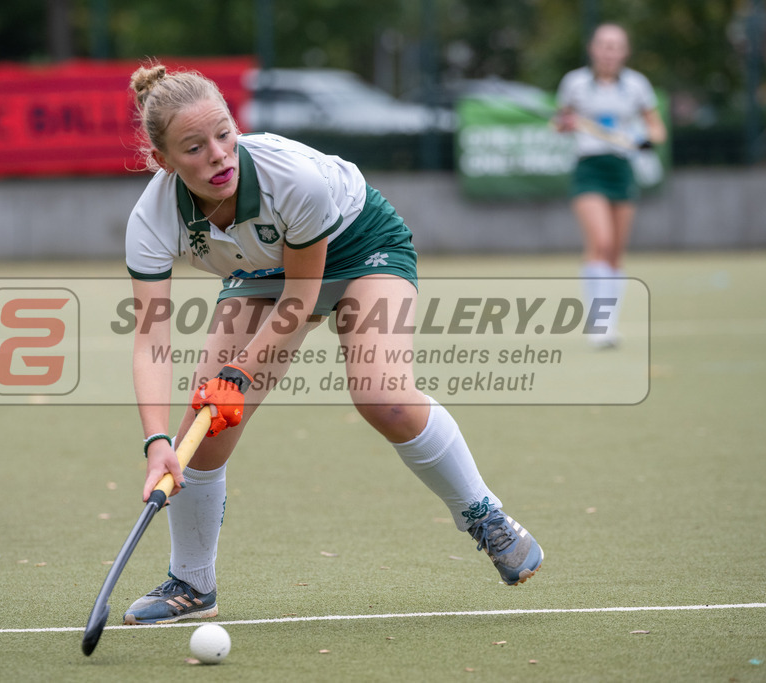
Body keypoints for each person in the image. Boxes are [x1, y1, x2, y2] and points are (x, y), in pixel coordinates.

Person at [120, 62, 543, 625]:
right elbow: (151, 338)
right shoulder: (151, 220)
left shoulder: (292, 179)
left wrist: (240, 374)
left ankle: (482, 513)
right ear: (165, 161)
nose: (218, 155)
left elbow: (301, 299)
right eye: (194, 148)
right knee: (207, 422)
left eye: (224, 133)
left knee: (382, 397)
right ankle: (193, 584)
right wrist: (156, 442)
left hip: (359, 244)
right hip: (264, 268)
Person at [554, 23, 667, 348]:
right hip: (589, 169)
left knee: (615, 252)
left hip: (622, 170)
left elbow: (657, 130)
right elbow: (559, 123)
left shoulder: (636, 86)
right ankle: (599, 325)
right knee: (600, 242)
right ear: (593, 49)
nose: (608, 51)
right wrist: (566, 122)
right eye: (603, 44)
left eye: (615, 45)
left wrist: (644, 140)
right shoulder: (574, 84)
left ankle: (609, 323)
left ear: (624, 52)